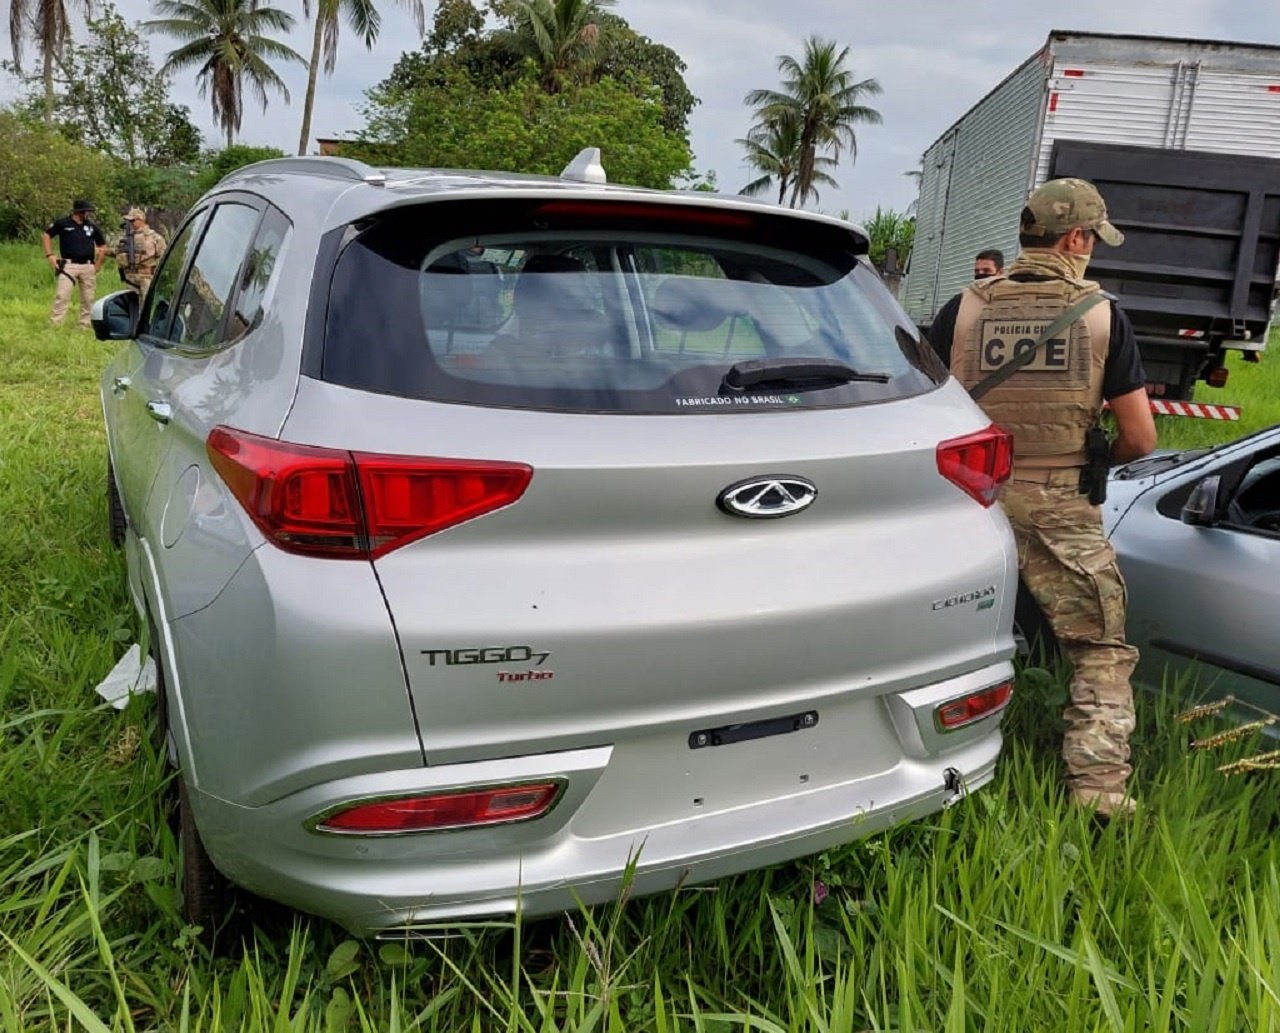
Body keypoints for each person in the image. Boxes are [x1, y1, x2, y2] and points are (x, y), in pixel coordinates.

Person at [929, 178, 1157, 822]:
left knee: (944, 637)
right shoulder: (1102, 313)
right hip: (1059, 506)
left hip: (968, 501)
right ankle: (1099, 793)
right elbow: (1140, 438)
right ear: (1077, 238)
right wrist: (1094, 462)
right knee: (1100, 648)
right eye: (1094, 240)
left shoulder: (963, 309)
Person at [42, 199, 106, 328]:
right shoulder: (63, 223)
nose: (87, 214)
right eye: (85, 211)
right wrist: (50, 255)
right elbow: (46, 235)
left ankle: (85, 324)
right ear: (78, 212)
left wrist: (98, 264)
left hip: (88, 265)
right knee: (62, 294)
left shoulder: (91, 226)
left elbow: (102, 245)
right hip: (68, 265)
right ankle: (56, 323)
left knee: (88, 297)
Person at [112, 207, 167, 296]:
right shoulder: (125, 239)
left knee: (146, 304)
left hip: (146, 278)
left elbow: (164, 256)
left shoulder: (154, 237)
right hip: (129, 279)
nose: (130, 224)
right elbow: (116, 252)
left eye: (132, 221)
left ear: (141, 220)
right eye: (129, 221)